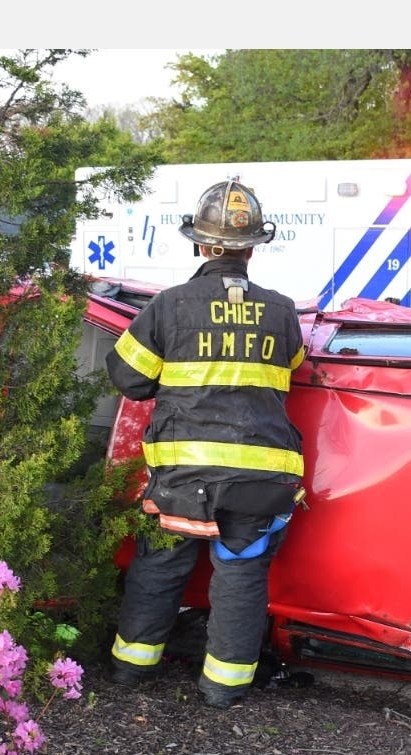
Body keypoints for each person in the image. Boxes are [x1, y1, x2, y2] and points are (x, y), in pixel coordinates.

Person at [104, 178, 307, 709]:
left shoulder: (170, 307)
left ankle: (131, 670)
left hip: (181, 477)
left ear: (198, 243)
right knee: (241, 575)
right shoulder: (282, 311)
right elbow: (291, 368)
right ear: (252, 248)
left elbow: (127, 378)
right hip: (259, 481)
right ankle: (224, 688)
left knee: (161, 563)